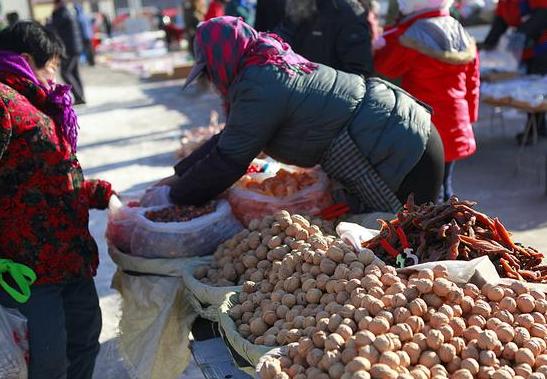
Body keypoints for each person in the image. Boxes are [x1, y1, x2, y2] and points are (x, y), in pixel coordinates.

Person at [161, 17, 444, 215]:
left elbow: (229, 160)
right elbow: (231, 139)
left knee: (411, 246)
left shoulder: (259, 83)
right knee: (405, 241)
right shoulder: (264, 61)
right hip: (402, 130)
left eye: (208, 70)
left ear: (221, 57)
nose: (211, 80)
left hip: (402, 149)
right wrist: (179, 177)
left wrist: (175, 197)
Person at [0, 21, 114, 378]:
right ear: (26, 59)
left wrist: (101, 192)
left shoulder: (41, 103)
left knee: (84, 340)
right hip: (26, 265)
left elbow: (49, 175)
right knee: (45, 360)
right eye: (52, 64)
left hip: (69, 255)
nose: (56, 74)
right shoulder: (4, 101)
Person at [373, 0, 479, 201]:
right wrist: (470, 118)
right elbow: (473, 83)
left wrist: (379, 45)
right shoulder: (461, 31)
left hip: (426, 122)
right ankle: (451, 224)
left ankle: (438, 229)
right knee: (446, 183)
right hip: (456, 121)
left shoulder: (411, 36)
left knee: (428, 190)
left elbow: (387, 67)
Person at [482, 0, 546, 143]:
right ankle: (540, 127)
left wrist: (522, 33)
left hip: (542, 47)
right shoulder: (504, 3)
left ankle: (533, 131)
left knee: (536, 88)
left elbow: (543, 13)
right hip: (526, 48)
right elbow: (500, 23)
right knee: (532, 86)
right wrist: (487, 45)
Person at [275, 0, 373, 77]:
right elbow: (278, 43)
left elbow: (358, 72)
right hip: (290, 94)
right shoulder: (295, 6)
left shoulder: (348, 12)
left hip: (325, 97)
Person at [50, 0, 86, 104]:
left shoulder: (61, 14)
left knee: (65, 72)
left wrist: (53, 14)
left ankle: (79, 97)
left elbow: (52, 27)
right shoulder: (67, 12)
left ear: (58, 4)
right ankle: (81, 96)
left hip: (69, 48)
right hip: (74, 47)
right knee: (74, 72)